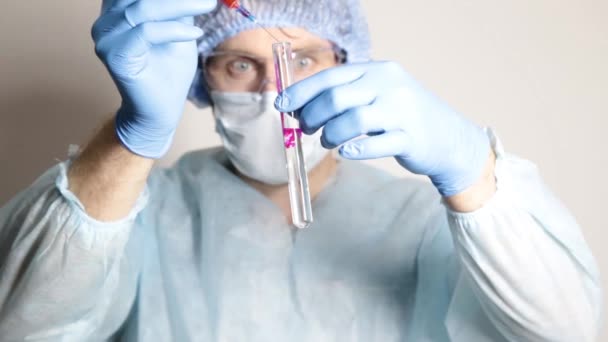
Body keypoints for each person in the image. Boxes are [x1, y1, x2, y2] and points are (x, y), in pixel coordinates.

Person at [0, 0, 602, 340]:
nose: (273, 91)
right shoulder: (148, 214)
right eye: (240, 65)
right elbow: (22, 321)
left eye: (302, 59)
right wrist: (130, 141)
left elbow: (567, 332)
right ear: (199, 78)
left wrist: (474, 171)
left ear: (348, 62)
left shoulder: (419, 221)